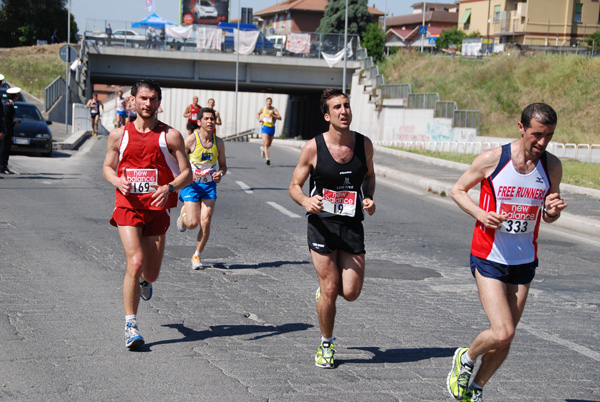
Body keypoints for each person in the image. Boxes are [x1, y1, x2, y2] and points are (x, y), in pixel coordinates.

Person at [446, 103, 567, 402]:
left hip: (524, 259)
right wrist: (480, 214)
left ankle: (476, 387)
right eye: (537, 134)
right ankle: (466, 357)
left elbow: (548, 214)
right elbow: (457, 190)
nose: (542, 142)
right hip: (489, 256)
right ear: (521, 128)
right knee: (502, 331)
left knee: (506, 337)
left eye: (549, 136)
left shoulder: (551, 166)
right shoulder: (493, 159)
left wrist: (552, 212)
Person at [288, 88, 376, 369]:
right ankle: (326, 344)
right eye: (337, 107)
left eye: (347, 106)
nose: (344, 111)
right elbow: (294, 186)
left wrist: (369, 197)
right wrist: (305, 200)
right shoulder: (314, 147)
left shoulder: (364, 145)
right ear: (327, 115)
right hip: (322, 225)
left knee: (350, 292)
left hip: (351, 225)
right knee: (330, 288)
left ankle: (326, 295)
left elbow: (369, 178)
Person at [102, 79, 192, 349]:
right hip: (128, 206)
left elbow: (187, 173)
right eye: (143, 98)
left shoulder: (171, 136)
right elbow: (107, 167)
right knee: (136, 260)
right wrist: (117, 181)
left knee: (150, 273)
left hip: (157, 208)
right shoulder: (119, 135)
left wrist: (169, 187)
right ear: (132, 100)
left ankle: (144, 282)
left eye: (153, 99)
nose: (148, 103)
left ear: (159, 103)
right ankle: (131, 325)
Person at [176, 107, 227, 270]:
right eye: (206, 119)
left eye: (212, 119)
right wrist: (188, 175)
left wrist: (220, 173)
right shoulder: (190, 140)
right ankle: (184, 216)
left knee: (205, 221)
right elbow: (177, 161)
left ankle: (197, 255)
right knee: (192, 224)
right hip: (191, 185)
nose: (210, 121)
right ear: (198, 122)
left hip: (209, 186)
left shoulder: (218, 142)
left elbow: (224, 166)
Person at [0, 87, 21, 175]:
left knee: (7, 148)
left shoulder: (10, 105)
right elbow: (5, 120)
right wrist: (14, 124)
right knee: (4, 149)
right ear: (15, 96)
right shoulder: (7, 106)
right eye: (17, 95)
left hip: (8, 130)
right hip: (6, 130)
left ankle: (4, 165)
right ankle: (2, 166)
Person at [257, 97, 281, 165]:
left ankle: (263, 149)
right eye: (268, 101)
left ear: (271, 103)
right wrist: (259, 119)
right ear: (266, 102)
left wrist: (273, 115)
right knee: (266, 143)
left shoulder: (273, 109)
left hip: (272, 128)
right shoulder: (263, 109)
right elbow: (258, 114)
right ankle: (267, 159)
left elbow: (280, 117)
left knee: (269, 144)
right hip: (265, 127)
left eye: (270, 102)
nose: (269, 103)